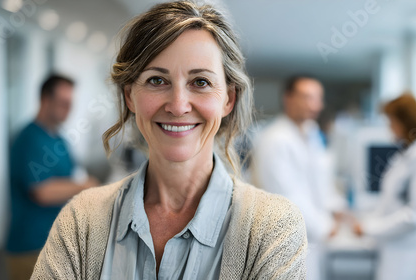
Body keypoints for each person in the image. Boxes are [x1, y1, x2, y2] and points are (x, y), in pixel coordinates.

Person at [31, 1, 307, 279]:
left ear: (228, 99)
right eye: (156, 81)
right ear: (130, 96)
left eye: (200, 82)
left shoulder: (272, 227)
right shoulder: (82, 221)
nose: (178, 105)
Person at [251, 75, 344, 280]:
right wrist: (324, 226)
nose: (316, 105)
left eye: (319, 98)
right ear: (288, 98)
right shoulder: (274, 140)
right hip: (287, 242)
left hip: (313, 238)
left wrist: (336, 207)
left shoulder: (311, 133)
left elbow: (321, 180)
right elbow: (286, 196)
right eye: (308, 97)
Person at [6, 75, 99, 280]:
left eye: (70, 103)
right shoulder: (28, 139)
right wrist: (85, 185)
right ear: (45, 100)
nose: (68, 108)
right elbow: (42, 192)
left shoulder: (60, 139)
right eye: (63, 103)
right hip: (30, 247)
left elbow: (73, 175)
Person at [352, 93, 416, 280]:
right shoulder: (408, 154)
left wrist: (370, 228)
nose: (389, 127)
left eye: (391, 121)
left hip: (413, 255)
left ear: (404, 121)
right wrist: (366, 222)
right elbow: (392, 201)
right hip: (398, 253)